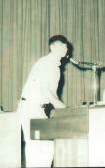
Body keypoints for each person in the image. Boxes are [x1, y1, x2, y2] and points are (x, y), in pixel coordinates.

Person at [17, 35, 70, 167]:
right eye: (61, 45)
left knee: (46, 147)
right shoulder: (48, 63)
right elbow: (47, 91)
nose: (65, 48)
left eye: (66, 45)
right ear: (52, 47)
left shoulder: (53, 64)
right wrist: (64, 109)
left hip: (36, 109)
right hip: (31, 108)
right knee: (37, 148)